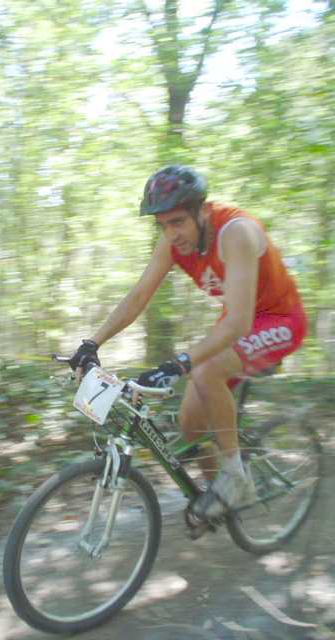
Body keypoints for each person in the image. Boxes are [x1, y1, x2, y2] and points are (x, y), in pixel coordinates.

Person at [69, 165, 307, 522]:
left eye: (178, 222)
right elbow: (137, 297)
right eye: (162, 225)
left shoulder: (236, 232)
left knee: (205, 371)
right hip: (236, 320)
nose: (171, 234)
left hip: (279, 320)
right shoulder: (172, 243)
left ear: (203, 211)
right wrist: (92, 343)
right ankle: (219, 498)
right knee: (189, 423)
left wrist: (178, 364)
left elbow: (240, 322)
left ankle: (236, 477)